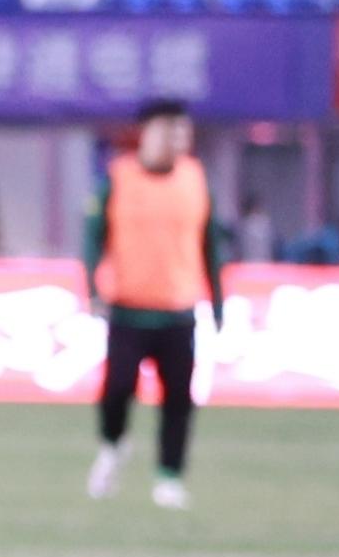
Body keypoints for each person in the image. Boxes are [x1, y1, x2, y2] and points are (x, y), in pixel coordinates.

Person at [84, 98, 230, 512]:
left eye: (183, 131)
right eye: (169, 130)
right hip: (128, 308)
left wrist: (217, 299)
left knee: (179, 399)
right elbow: (92, 236)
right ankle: (113, 445)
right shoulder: (118, 178)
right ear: (147, 133)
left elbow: (210, 244)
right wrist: (93, 287)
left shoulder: (196, 180)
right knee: (117, 390)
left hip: (179, 310)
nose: (177, 139)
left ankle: (169, 477)